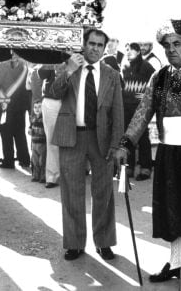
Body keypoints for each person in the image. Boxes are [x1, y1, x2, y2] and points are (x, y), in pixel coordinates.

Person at [119, 19, 181, 287]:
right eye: (167, 45)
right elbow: (143, 112)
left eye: (177, 44)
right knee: (173, 208)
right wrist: (127, 142)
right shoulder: (160, 76)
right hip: (169, 151)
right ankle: (176, 265)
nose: (171, 49)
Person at [50, 28, 124, 261]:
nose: (95, 48)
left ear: (105, 48)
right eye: (91, 43)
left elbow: (118, 112)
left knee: (103, 193)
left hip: (101, 139)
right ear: (83, 44)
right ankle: (74, 243)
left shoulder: (111, 74)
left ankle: (104, 243)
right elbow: (53, 92)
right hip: (72, 136)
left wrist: (118, 144)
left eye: (100, 45)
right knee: (71, 192)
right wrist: (69, 69)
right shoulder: (68, 66)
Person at [0, 52, 31, 169]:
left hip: (10, 105)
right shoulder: (24, 66)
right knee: (16, 134)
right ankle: (23, 160)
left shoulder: (2, 66)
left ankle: (11, 161)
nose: (13, 55)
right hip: (12, 106)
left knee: (11, 134)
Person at [122, 43, 155, 180]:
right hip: (127, 106)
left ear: (138, 51)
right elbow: (124, 85)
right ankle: (129, 167)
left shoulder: (147, 66)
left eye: (131, 50)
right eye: (127, 50)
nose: (128, 53)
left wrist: (147, 94)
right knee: (128, 136)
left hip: (140, 107)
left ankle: (145, 168)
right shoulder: (125, 67)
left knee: (142, 137)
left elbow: (155, 81)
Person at [39, 64, 64, 189]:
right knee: (52, 140)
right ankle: (52, 176)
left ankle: (69, 174)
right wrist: (50, 60)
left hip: (71, 100)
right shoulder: (52, 55)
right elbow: (41, 74)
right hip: (52, 100)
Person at [28, 100, 46, 183]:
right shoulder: (33, 118)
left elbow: (45, 131)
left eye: (39, 107)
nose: (37, 109)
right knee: (35, 161)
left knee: (42, 161)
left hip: (42, 143)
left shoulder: (44, 119)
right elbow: (30, 128)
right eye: (35, 107)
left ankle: (43, 176)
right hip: (34, 143)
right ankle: (36, 175)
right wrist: (30, 130)